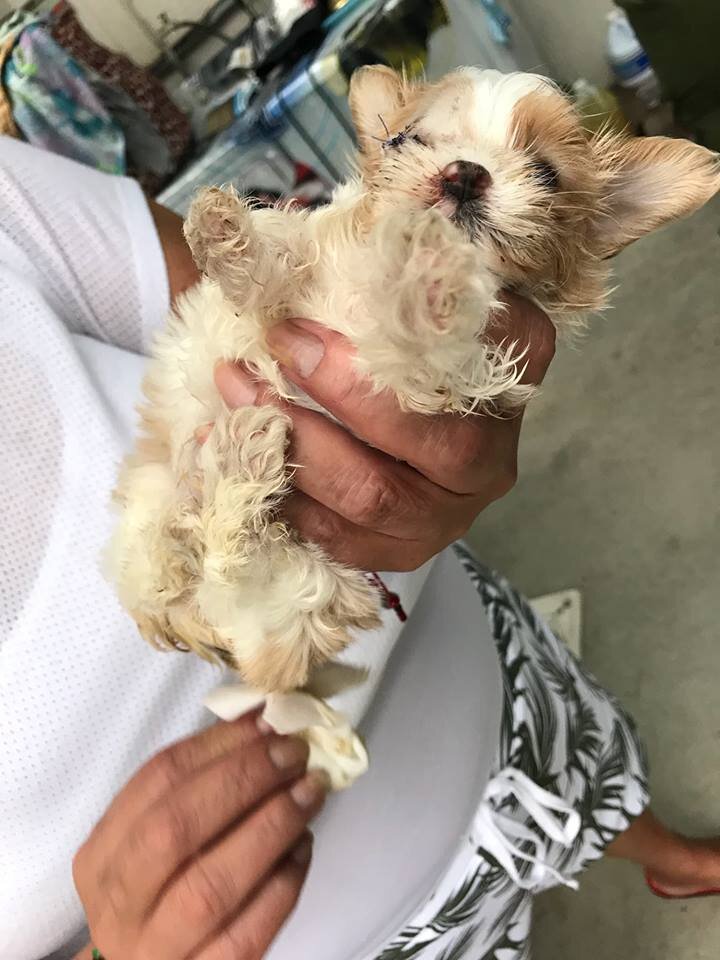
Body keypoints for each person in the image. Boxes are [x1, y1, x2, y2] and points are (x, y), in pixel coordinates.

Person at [1, 136, 718, 960]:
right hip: (334, 934)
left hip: (469, 655)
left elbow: (219, 310)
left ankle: (664, 852)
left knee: (586, 758)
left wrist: (402, 392)